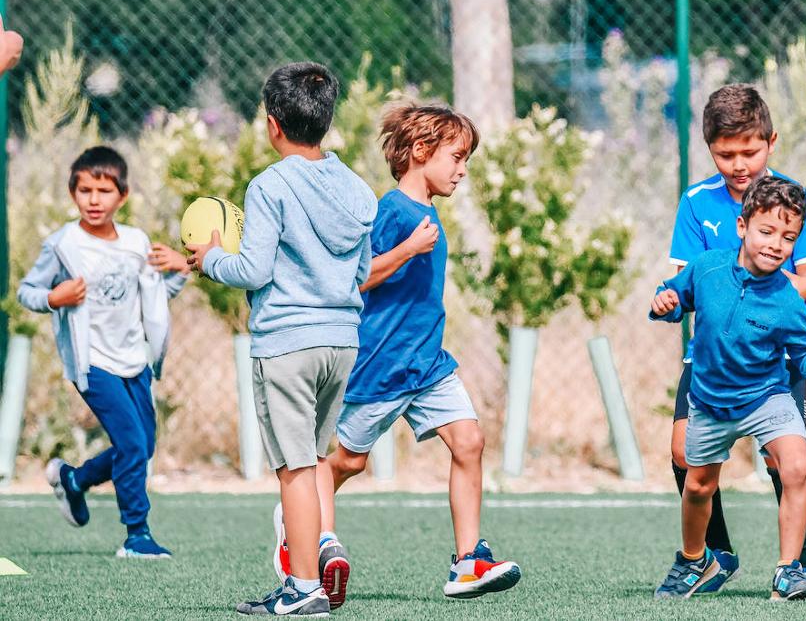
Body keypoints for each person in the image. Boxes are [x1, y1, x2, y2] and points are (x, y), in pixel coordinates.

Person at [305, 98, 519, 600]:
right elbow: (355, 279)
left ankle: (467, 563)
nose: (462, 171)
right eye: (457, 158)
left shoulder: (426, 212)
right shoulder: (391, 211)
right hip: (382, 365)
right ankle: (305, 523)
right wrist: (406, 250)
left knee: (469, 442)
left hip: (428, 366)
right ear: (421, 151)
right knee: (347, 462)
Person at [188, 62, 376, 617]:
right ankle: (315, 562)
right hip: (342, 343)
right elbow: (362, 271)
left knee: (293, 470)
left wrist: (211, 258)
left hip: (287, 343)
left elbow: (253, 270)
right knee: (313, 461)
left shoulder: (268, 186)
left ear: (272, 124)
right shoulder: (357, 189)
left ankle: (303, 586)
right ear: (327, 119)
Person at [666, 84, 806, 592]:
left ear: (771, 142)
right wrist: (672, 300)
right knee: (683, 454)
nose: (739, 164)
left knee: (787, 460)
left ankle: (801, 564)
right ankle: (712, 555)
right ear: (709, 148)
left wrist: (769, 300)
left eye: (750, 151)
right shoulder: (696, 203)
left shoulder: (793, 197)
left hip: (774, 357)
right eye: (725, 154)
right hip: (711, 359)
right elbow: (684, 280)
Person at [21, 146, 188, 558]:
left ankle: (74, 480)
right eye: (85, 190)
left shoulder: (136, 242)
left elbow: (153, 297)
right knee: (131, 443)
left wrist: (183, 269)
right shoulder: (63, 245)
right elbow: (28, 291)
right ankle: (137, 535)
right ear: (72, 193)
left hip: (135, 361)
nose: (94, 200)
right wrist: (53, 298)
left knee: (143, 446)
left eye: (104, 190)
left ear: (123, 195)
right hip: (92, 363)